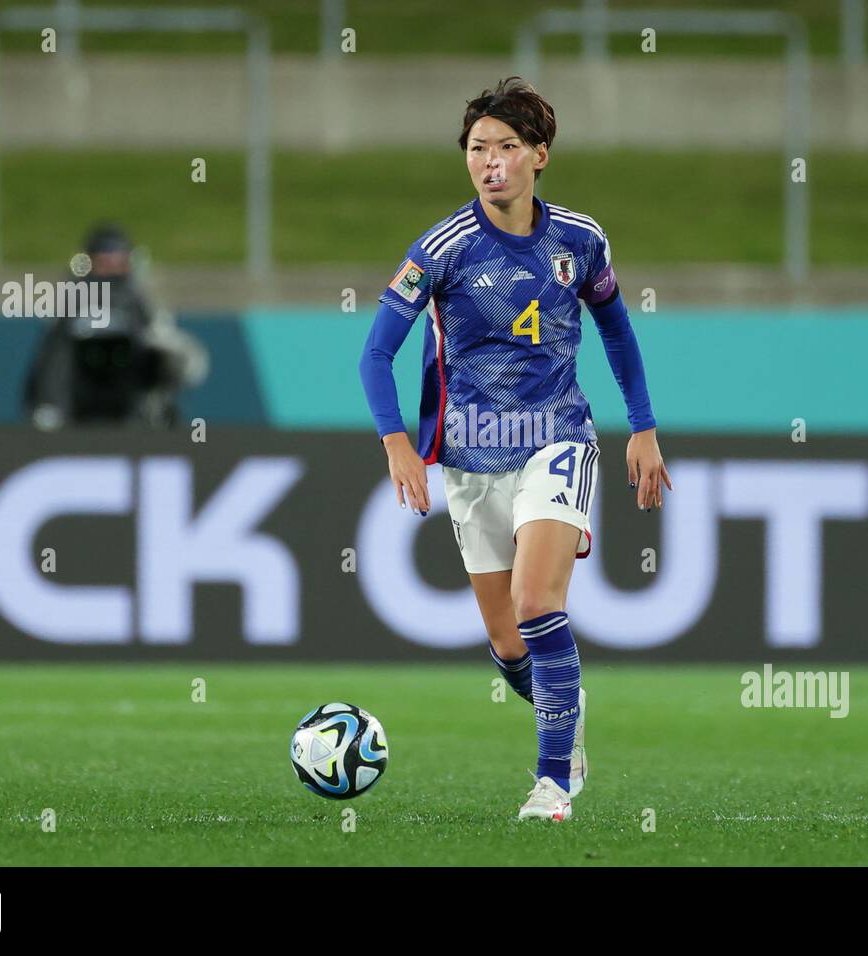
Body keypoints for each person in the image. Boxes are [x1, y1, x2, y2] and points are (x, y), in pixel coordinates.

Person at [358, 77, 670, 821]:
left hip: (557, 440)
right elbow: (376, 355)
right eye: (476, 149)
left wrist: (645, 425)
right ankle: (568, 711)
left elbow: (617, 329)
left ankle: (552, 783)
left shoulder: (580, 240)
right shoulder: (441, 249)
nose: (489, 162)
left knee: (537, 604)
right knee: (507, 645)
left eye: (504, 147)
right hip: (470, 460)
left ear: (540, 156)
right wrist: (396, 442)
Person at [24, 223, 207, 428]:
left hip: (131, 394)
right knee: (59, 346)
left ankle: (153, 420)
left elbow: (180, 358)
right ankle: (53, 412)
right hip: (80, 396)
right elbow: (50, 360)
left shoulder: (143, 300)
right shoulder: (70, 298)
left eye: (117, 261)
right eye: (104, 262)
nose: (111, 269)